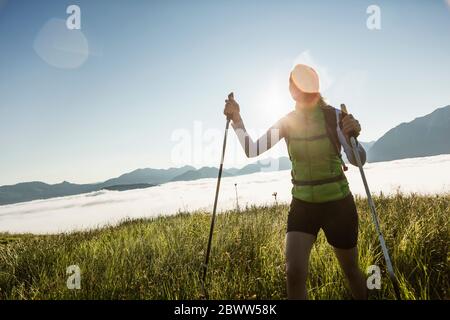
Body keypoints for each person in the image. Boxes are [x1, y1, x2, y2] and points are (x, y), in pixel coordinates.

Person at [223, 64, 368, 300]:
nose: (298, 88)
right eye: (294, 83)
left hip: (338, 204)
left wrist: (353, 136)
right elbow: (252, 149)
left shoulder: (334, 116)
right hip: (303, 205)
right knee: (294, 272)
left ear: (315, 86)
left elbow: (358, 161)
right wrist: (237, 119)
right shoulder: (287, 122)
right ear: (290, 90)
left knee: (350, 271)